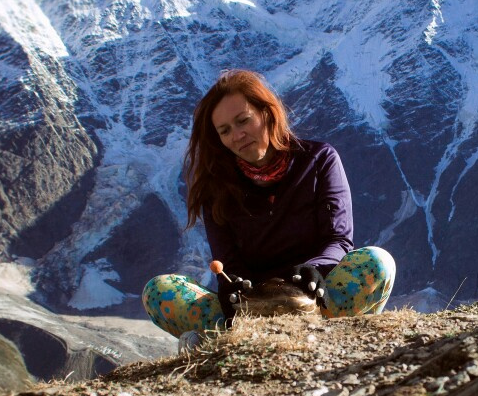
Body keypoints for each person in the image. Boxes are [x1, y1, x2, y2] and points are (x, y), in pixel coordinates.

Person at [142, 69, 395, 339]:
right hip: (253, 306)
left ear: (267, 113)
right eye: (225, 131)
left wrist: (317, 269)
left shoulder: (319, 160)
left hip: (314, 291)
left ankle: (224, 339)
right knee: (158, 291)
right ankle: (278, 332)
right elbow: (227, 263)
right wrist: (236, 291)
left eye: (243, 121)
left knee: (378, 263)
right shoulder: (216, 188)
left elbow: (338, 240)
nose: (237, 135)